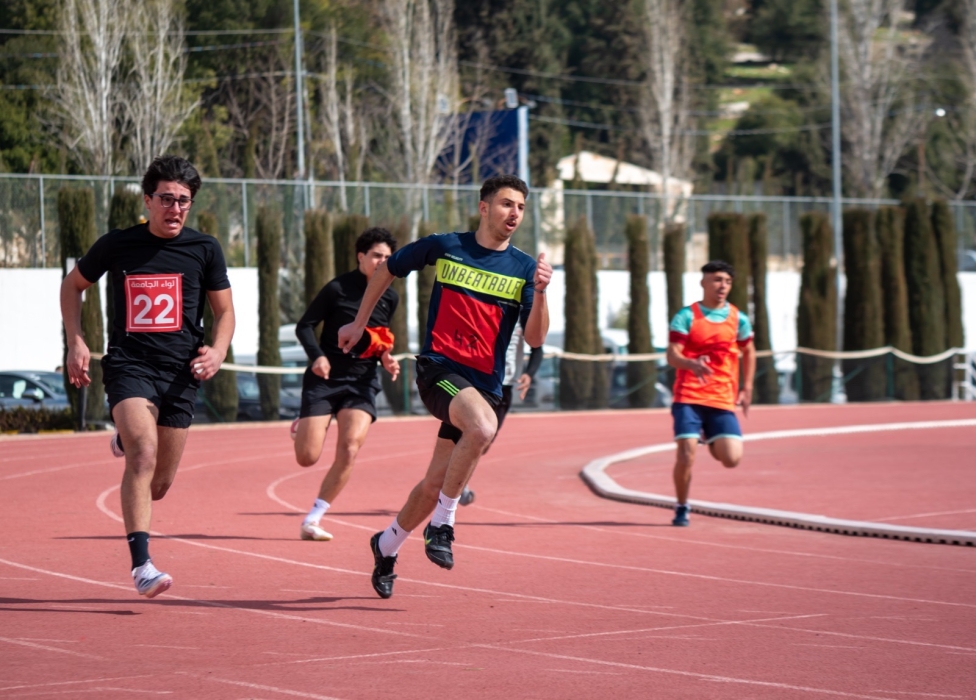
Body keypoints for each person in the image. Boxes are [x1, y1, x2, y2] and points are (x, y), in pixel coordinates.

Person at [337, 174, 551, 599]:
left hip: (484, 385)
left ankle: (386, 544)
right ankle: (443, 524)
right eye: (507, 204)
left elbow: (536, 338)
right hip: (439, 370)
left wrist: (542, 293)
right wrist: (361, 322)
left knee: (436, 480)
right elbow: (387, 269)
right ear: (484, 207)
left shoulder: (526, 269)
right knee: (483, 429)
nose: (515, 214)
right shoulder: (446, 245)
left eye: (521, 208)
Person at [61, 156, 235, 597]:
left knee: (158, 485)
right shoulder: (118, 245)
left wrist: (217, 350)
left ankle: (125, 437)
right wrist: (76, 341)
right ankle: (142, 567)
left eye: (184, 201)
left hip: (180, 375)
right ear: (148, 200)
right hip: (129, 366)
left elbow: (225, 311)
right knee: (143, 452)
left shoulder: (205, 249)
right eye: (167, 199)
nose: (175, 208)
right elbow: (72, 285)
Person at [291, 228, 401, 542]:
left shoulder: (390, 296)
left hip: (362, 382)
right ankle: (304, 425)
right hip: (325, 378)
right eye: (377, 255)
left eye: (387, 258)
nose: (382, 262)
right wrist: (317, 357)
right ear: (361, 257)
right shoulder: (338, 288)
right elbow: (305, 325)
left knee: (350, 448)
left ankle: (313, 519)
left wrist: (386, 359)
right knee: (307, 457)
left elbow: (378, 340)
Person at [665, 260, 755, 527]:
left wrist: (747, 387)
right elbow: (672, 354)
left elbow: (748, 351)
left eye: (727, 281)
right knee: (685, 455)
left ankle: (710, 435)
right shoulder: (687, 316)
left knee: (731, 459)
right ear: (703, 282)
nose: (722, 286)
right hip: (689, 395)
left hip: (721, 397)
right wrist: (690, 364)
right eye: (716, 280)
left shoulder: (738, 318)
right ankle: (682, 507)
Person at [458, 325, 543, 506]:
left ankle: (457, 481)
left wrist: (529, 374)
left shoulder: (526, 313)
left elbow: (537, 347)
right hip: (480, 382)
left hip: (505, 387)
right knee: (473, 434)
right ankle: (454, 486)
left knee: (485, 442)